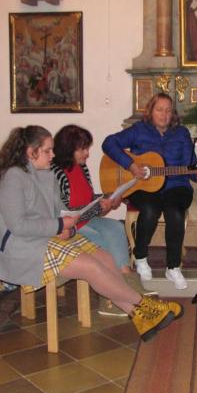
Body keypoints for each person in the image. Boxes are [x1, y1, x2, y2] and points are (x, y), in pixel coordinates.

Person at [0, 125, 183, 341]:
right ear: (31, 152)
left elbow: (58, 210)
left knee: (105, 258)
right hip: (20, 248)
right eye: (48, 151)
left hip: (44, 237)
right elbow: (18, 226)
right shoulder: (13, 177)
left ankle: (139, 316)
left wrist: (66, 225)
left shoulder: (45, 174)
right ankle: (145, 304)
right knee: (91, 267)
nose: (53, 155)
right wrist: (60, 226)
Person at [51, 125, 156, 317]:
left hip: (85, 220)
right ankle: (109, 300)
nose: (87, 154)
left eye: (87, 148)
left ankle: (127, 280)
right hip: (69, 227)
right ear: (68, 148)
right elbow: (64, 213)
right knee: (100, 240)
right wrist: (99, 207)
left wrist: (108, 198)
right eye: (82, 149)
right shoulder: (56, 173)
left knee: (116, 228)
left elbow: (88, 198)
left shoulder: (81, 167)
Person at [102, 93, 197, 290]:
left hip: (177, 185)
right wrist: (131, 165)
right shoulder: (139, 130)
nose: (164, 114)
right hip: (143, 186)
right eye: (159, 109)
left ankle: (173, 266)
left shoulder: (181, 133)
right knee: (150, 210)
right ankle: (140, 257)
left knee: (175, 212)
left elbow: (190, 166)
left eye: (168, 110)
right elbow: (109, 143)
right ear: (150, 110)